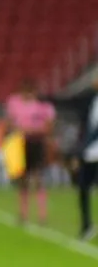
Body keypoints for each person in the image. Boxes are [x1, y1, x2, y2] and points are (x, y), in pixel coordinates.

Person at [42, 75, 98, 240]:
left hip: (91, 150)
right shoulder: (91, 100)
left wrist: (80, 149)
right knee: (83, 188)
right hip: (90, 154)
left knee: (84, 187)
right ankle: (86, 225)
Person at [5, 79, 56, 226]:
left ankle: (42, 214)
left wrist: (32, 130)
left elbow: (48, 127)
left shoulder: (43, 108)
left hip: (37, 142)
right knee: (23, 178)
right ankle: (23, 213)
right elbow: (10, 123)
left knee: (38, 177)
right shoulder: (15, 103)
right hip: (21, 143)